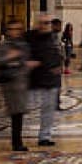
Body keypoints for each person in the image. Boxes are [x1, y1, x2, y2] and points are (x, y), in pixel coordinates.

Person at [0, 19, 33, 152]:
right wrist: (8, 57)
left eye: (17, 29)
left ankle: (14, 140)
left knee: (17, 113)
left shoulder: (23, 45)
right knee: (16, 113)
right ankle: (17, 143)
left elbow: (25, 61)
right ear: (7, 31)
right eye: (12, 29)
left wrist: (25, 66)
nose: (15, 32)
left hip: (21, 84)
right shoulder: (2, 46)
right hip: (9, 85)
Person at [26, 14, 62, 146]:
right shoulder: (30, 37)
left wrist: (57, 66)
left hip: (50, 81)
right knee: (26, 108)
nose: (46, 25)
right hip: (34, 80)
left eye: (48, 23)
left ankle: (44, 137)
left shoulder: (52, 38)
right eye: (43, 23)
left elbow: (56, 55)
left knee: (48, 110)